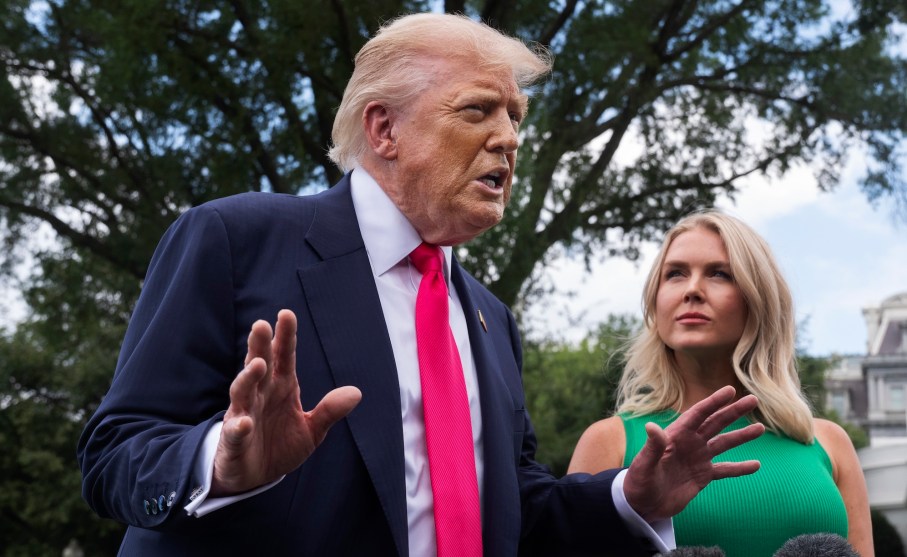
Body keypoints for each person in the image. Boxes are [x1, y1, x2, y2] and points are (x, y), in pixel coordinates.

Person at [78, 14, 765, 557]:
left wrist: (628, 498)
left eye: (515, 117)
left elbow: (513, 516)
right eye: (477, 112)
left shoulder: (491, 320)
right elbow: (114, 454)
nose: (508, 139)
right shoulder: (236, 240)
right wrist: (218, 462)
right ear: (384, 128)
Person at [569, 210, 874, 557]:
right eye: (675, 274)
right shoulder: (608, 442)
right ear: (656, 301)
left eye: (719, 274)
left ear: (758, 301)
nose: (692, 290)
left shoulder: (828, 443)